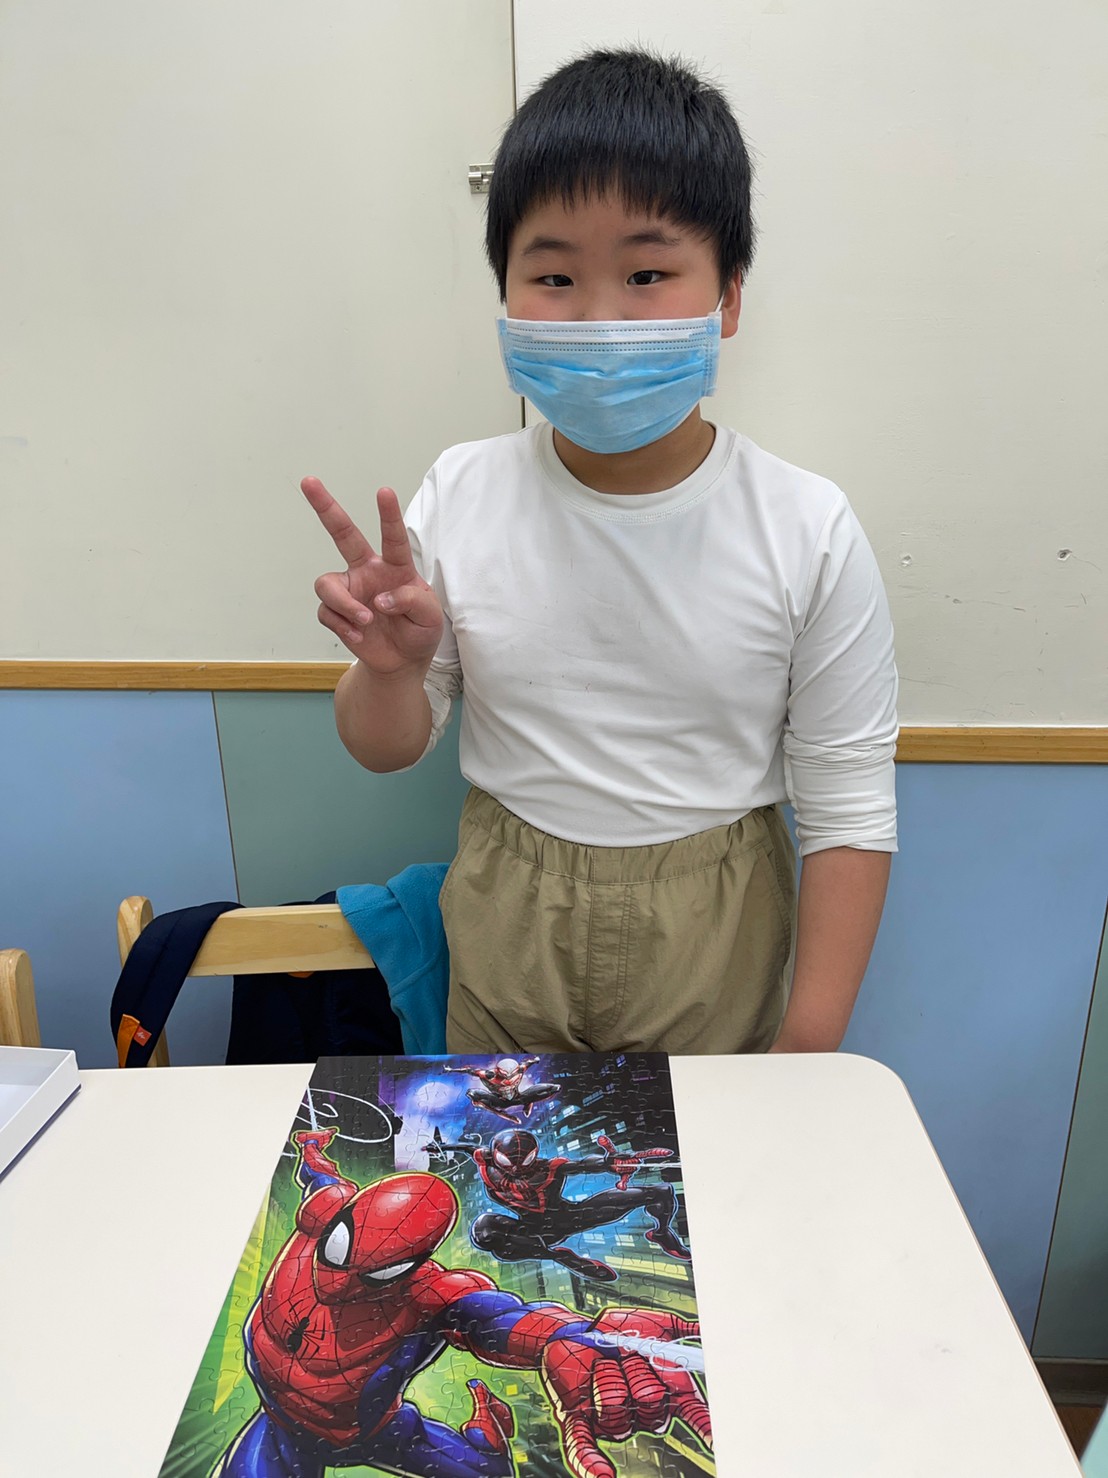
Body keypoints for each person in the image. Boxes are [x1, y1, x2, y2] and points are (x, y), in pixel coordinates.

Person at [302, 48, 898, 1058]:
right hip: (506, 909)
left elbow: (848, 810)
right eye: (553, 276)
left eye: (647, 273)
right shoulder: (462, 489)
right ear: (505, 294)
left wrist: (807, 1051)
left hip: (716, 923)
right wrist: (390, 671)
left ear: (729, 297)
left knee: (703, 1158)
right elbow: (384, 746)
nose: (599, 317)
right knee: (503, 1151)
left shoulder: (807, 525)